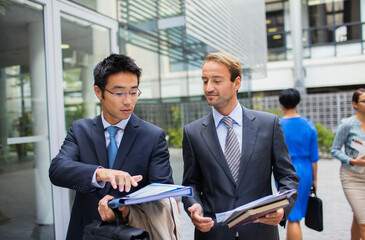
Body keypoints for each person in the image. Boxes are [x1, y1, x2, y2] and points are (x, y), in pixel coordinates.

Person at [49, 54, 174, 240]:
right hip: (85, 232)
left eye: (133, 92)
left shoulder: (153, 136)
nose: (128, 101)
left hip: (132, 232)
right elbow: (57, 170)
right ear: (99, 92)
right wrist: (101, 173)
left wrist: (126, 211)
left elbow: (163, 193)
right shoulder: (80, 130)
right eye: (119, 92)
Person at [182, 51, 299, 240]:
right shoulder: (193, 132)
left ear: (236, 83)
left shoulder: (268, 124)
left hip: (260, 232)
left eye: (216, 81)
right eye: (205, 81)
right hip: (214, 233)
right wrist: (193, 206)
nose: (209, 87)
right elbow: (191, 184)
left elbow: (288, 177)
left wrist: (282, 209)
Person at [278, 88, 319, 240]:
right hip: (306, 169)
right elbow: (314, 157)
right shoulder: (309, 125)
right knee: (293, 215)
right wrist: (314, 179)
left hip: (285, 171)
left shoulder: (278, 125)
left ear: (281, 103)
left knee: (293, 217)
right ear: (298, 102)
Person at [331, 88, 365, 240]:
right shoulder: (347, 125)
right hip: (352, 177)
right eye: (364, 101)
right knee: (364, 221)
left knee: (359, 218)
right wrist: (352, 160)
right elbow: (335, 150)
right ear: (355, 104)